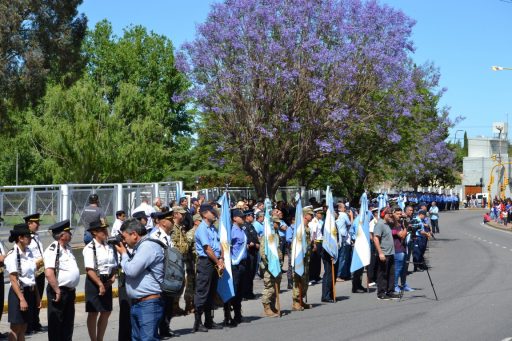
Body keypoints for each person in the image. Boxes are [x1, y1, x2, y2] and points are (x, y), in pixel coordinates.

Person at [115, 218, 164, 341]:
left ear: (134, 235)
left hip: (148, 304)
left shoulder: (147, 246)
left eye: (125, 237)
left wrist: (124, 254)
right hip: (139, 303)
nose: (124, 241)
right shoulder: (141, 247)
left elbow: (131, 270)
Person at [44, 220, 81, 341]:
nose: (70, 233)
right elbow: (49, 273)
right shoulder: (53, 249)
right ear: (61, 235)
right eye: (68, 232)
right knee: (56, 325)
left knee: (68, 324)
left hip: (70, 292)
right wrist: (57, 291)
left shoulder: (68, 248)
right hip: (59, 291)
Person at [83, 221, 117, 341]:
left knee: (106, 311)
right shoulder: (89, 248)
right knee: (93, 312)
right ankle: (93, 339)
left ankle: (100, 338)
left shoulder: (108, 246)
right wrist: (99, 284)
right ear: (94, 232)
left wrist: (113, 276)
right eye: (102, 230)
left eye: (105, 229)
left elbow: (113, 264)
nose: (105, 232)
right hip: (94, 280)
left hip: (106, 279)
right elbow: (89, 269)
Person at [5, 223, 40, 341]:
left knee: (24, 326)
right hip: (18, 293)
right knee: (16, 327)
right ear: (20, 238)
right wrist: (22, 299)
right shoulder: (12, 255)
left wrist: (37, 296)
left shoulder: (29, 252)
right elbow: (13, 280)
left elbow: (31, 278)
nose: (30, 238)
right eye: (28, 236)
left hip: (29, 292)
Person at [193, 204, 224, 332]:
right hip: (206, 262)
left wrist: (221, 258)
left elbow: (219, 244)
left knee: (211, 292)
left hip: (215, 261)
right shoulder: (202, 229)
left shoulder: (212, 228)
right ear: (205, 214)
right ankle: (197, 322)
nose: (214, 214)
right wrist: (218, 262)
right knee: (202, 291)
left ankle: (209, 320)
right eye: (212, 212)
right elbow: (207, 249)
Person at [149, 211, 177, 338]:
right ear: (164, 222)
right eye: (171, 220)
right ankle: (158, 329)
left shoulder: (167, 235)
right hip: (159, 274)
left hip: (169, 274)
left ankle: (165, 327)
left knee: (168, 303)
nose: (173, 222)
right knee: (161, 303)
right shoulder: (155, 235)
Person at [223, 209, 248, 327]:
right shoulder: (231, 231)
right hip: (234, 264)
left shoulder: (242, 230)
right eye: (241, 217)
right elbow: (226, 246)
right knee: (233, 290)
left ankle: (238, 314)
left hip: (243, 263)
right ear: (234, 218)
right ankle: (228, 316)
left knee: (240, 291)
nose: (243, 218)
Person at [23, 213, 45, 334]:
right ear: (29, 223)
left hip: (40, 271)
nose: (38, 225)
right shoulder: (26, 238)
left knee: (38, 298)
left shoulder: (36, 236)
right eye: (36, 223)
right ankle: (28, 324)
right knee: (30, 298)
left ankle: (35, 322)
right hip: (32, 271)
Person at [373, 209, 399, 300]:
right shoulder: (379, 224)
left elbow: (397, 224)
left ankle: (390, 291)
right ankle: (381, 292)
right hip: (384, 253)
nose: (391, 215)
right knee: (382, 274)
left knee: (391, 273)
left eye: (392, 213)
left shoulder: (387, 224)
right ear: (384, 214)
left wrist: (395, 217)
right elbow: (375, 239)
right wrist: (380, 253)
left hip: (391, 252)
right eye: (389, 214)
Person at [172, 205, 193, 316]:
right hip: (175, 260)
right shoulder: (173, 228)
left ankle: (176, 306)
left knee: (182, 283)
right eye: (182, 213)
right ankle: (173, 306)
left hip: (182, 259)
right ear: (175, 214)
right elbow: (173, 245)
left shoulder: (181, 227)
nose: (184, 215)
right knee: (176, 283)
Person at [260, 216, 283, 317]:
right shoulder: (266, 236)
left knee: (276, 286)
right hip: (269, 266)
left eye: (278, 223)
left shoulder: (276, 235)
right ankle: (267, 307)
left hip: (277, 266)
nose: (278, 225)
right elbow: (263, 252)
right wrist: (270, 264)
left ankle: (273, 306)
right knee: (269, 287)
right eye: (276, 223)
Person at [291, 207, 313, 311]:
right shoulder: (299, 228)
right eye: (310, 214)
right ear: (305, 215)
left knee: (305, 280)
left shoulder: (307, 227)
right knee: (298, 279)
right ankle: (296, 302)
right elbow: (295, 244)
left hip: (306, 257)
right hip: (299, 257)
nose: (312, 216)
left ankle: (301, 299)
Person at [243, 210, 260, 299]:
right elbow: (246, 239)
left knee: (252, 272)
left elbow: (255, 237)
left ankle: (250, 292)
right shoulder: (244, 226)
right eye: (251, 215)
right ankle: (246, 293)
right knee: (248, 273)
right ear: (247, 216)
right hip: (249, 252)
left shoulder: (251, 226)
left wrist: (257, 243)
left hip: (254, 252)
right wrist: (253, 243)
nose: (253, 217)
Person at [335, 203, 353, 282]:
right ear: (341, 208)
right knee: (342, 257)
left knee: (339, 257)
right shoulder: (343, 215)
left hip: (338, 237)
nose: (345, 209)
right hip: (342, 238)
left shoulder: (337, 215)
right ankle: (339, 275)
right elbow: (350, 224)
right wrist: (351, 216)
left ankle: (340, 274)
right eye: (344, 207)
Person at [308, 208, 324, 284]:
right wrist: (314, 244)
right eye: (320, 213)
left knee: (317, 260)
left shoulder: (318, 221)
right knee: (314, 261)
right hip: (316, 242)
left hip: (319, 241)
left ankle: (317, 276)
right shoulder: (314, 221)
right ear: (316, 213)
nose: (321, 215)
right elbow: (314, 233)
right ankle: (312, 277)